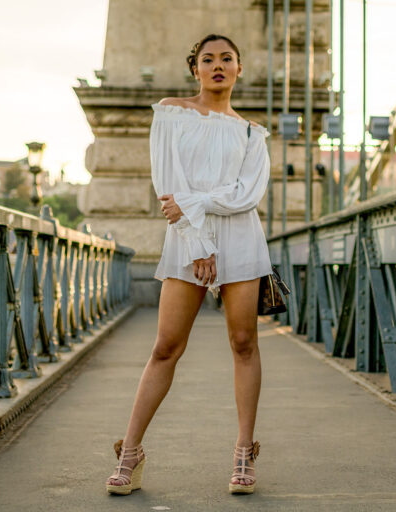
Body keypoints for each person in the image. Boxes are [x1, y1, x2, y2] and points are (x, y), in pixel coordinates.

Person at [105, 33, 272, 496]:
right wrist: (198, 242)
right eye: (207, 59)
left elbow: (248, 195)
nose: (217, 65)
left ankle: (243, 450)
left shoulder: (252, 134)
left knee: (243, 342)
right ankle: (131, 453)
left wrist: (195, 202)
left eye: (227, 59)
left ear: (239, 69)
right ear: (194, 68)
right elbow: (168, 185)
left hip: (241, 239)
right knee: (165, 347)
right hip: (185, 240)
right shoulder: (171, 114)